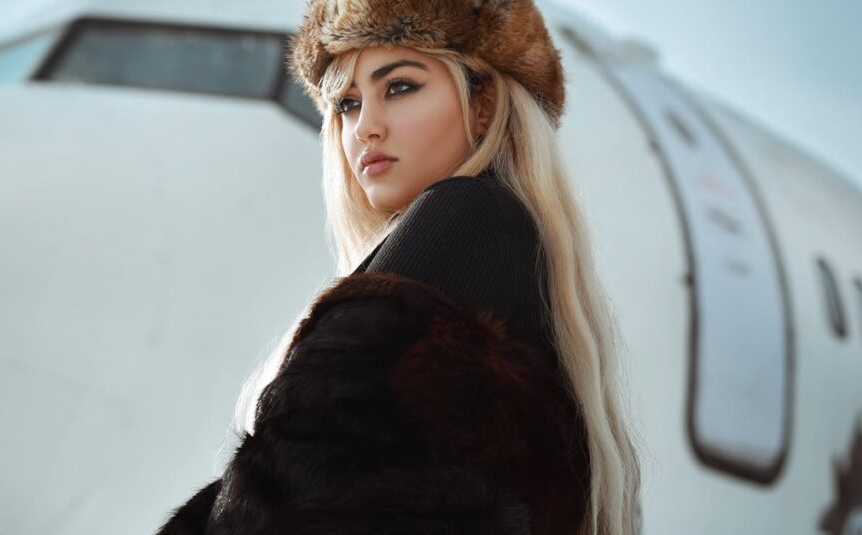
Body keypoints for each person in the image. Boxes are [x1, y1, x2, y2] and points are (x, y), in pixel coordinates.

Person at [155, 1, 644, 533]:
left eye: (401, 87)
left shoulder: (467, 212)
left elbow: (305, 489)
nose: (365, 127)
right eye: (346, 103)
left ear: (483, 105)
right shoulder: (495, 243)